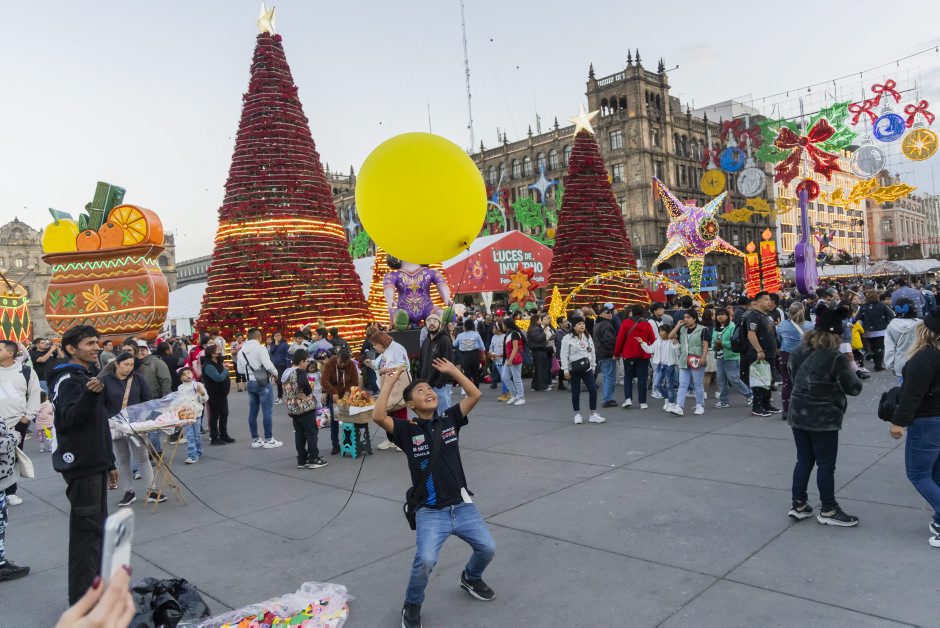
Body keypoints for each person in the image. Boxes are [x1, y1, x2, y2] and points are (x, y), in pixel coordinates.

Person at [371, 358, 496, 628]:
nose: (428, 392)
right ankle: (412, 604)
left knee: (487, 548)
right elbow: (378, 416)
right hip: (430, 511)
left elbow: (475, 394)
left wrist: (453, 372)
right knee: (425, 560)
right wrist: (389, 383)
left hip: (462, 505)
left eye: (429, 389)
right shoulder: (406, 430)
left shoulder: (450, 419)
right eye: (420, 391)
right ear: (410, 404)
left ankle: (471, 577)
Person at [48, 325, 118, 604]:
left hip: (95, 462)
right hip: (81, 464)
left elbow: (98, 425)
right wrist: (90, 395)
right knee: (87, 537)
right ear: (70, 349)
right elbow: (69, 421)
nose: (96, 347)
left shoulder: (85, 376)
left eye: (97, 342)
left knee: (96, 532)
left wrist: (109, 461)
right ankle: (83, 603)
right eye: (89, 343)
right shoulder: (67, 379)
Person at [786, 305, 862, 527]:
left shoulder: (799, 350)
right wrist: (851, 366)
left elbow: (791, 375)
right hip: (823, 417)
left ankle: (799, 504)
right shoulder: (835, 358)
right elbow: (854, 388)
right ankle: (828, 509)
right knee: (826, 464)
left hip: (798, 413)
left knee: (804, 460)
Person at [889, 310, 940, 547]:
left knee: (918, 474)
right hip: (934, 420)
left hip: (927, 421)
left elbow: (912, 395)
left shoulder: (925, 357)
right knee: (935, 474)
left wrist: (898, 422)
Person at [100, 351, 162, 507]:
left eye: (131, 365)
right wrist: (110, 418)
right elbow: (100, 404)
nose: (129, 368)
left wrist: (144, 418)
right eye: (126, 364)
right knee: (122, 459)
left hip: (136, 424)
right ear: (116, 364)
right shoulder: (105, 380)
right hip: (116, 425)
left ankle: (152, 490)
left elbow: (147, 400)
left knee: (142, 457)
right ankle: (128, 491)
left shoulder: (138, 378)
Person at [236, 328, 282, 449]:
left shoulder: (241, 351)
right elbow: (268, 365)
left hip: (250, 383)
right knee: (267, 411)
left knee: (253, 412)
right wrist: (276, 373)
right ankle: (269, 440)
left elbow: (240, 370)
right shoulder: (260, 348)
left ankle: (255, 439)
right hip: (263, 383)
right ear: (259, 336)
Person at [283, 349, 328, 470]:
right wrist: (308, 392)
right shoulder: (299, 372)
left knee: (299, 434)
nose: (307, 364)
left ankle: (302, 459)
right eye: (306, 361)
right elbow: (304, 383)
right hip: (305, 407)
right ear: (301, 362)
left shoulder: (286, 372)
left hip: (293, 408)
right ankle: (313, 458)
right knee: (311, 433)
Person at [367, 331, 410, 453]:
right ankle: (392, 439)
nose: (374, 347)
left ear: (381, 342)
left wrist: (387, 369)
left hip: (397, 387)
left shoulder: (397, 348)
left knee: (400, 413)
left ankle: (403, 440)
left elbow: (404, 365)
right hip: (387, 386)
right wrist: (371, 363)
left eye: (375, 344)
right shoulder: (385, 351)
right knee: (389, 414)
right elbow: (379, 364)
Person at [742, 291, 781, 417]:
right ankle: (757, 407)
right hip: (758, 354)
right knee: (759, 381)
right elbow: (751, 334)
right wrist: (759, 350)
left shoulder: (767, 316)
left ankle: (766, 404)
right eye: (766, 299)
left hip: (770, 354)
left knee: (767, 380)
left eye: (770, 300)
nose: (769, 302)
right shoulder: (754, 315)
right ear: (758, 302)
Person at [560, 317, 605, 424]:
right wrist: (565, 370)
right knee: (575, 391)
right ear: (574, 326)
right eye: (579, 324)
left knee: (593, 390)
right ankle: (577, 414)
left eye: (583, 324)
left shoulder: (587, 337)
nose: (582, 326)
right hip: (574, 368)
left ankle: (593, 414)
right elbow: (563, 355)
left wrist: (593, 366)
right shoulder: (567, 338)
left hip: (587, 368)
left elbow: (592, 352)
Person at [668, 311, 710, 416]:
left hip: (697, 359)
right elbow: (671, 336)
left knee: (697, 384)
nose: (685, 319)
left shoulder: (703, 329)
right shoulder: (682, 329)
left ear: (694, 319)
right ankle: (679, 406)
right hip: (684, 359)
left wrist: (704, 357)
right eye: (685, 317)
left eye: (688, 317)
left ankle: (700, 405)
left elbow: (705, 345)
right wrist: (678, 326)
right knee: (682, 384)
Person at [321, 347, 364, 452]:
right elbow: (324, 381)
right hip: (333, 395)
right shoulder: (330, 363)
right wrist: (333, 392)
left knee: (349, 419)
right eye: (340, 362)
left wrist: (348, 392)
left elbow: (354, 382)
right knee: (334, 419)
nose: (342, 365)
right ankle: (335, 444)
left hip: (347, 395)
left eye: (345, 363)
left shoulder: (351, 364)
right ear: (337, 358)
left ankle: (350, 442)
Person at [614, 304, 655, 410]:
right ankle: (643, 402)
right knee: (642, 378)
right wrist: (653, 351)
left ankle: (628, 399)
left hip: (629, 354)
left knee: (628, 377)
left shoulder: (626, 323)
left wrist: (616, 354)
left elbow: (620, 340)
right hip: (643, 354)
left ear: (631, 312)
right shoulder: (647, 324)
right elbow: (652, 339)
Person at [776, 302, 814, 415]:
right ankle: (803, 409)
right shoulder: (810, 326)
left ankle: (786, 410)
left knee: (787, 383)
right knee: (804, 382)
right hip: (804, 356)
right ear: (804, 311)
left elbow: (780, 339)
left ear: (789, 312)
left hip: (786, 355)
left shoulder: (782, 325)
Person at [712, 309, 753, 409]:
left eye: (722, 314)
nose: (720, 317)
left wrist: (722, 344)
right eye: (718, 315)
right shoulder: (715, 329)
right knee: (722, 381)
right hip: (720, 357)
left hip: (731, 357)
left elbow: (736, 343)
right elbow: (713, 343)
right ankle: (724, 401)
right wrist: (715, 346)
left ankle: (750, 395)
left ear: (727, 316)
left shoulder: (732, 327)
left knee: (734, 379)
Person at [419, 312, 456, 414]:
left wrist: (440, 383)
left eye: (435, 321)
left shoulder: (444, 340)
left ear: (440, 325)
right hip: (427, 385)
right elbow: (422, 362)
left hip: (441, 386)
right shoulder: (426, 342)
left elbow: (448, 362)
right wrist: (421, 380)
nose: (432, 323)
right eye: (429, 321)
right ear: (426, 325)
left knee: (445, 414)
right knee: (432, 414)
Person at [200, 346, 234, 446]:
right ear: (212, 353)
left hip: (221, 393)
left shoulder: (216, 362)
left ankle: (224, 434)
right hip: (214, 394)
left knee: (224, 413)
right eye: (217, 350)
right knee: (215, 415)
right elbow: (218, 378)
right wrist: (226, 371)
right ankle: (214, 437)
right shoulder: (208, 366)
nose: (220, 351)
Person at [641, 324, 677, 412]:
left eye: (662, 331)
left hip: (669, 366)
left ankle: (671, 403)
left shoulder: (672, 340)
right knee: (656, 385)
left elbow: (678, 352)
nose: (660, 333)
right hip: (660, 366)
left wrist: (676, 345)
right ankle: (667, 398)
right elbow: (650, 349)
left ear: (668, 332)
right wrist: (642, 343)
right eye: (659, 331)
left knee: (669, 385)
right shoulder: (658, 341)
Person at [856, 289, 894, 372]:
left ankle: (875, 362)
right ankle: (878, 365)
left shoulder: (864, 306)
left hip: (868, 331)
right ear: (877, 296)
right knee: (880, 348)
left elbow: (858, 318)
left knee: (872, 348)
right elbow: (891, 315)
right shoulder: (882, 305)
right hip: (881, 330)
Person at [885, 297, 920, 384]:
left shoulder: (891, 326)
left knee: (905, 390)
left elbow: (889, 349)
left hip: (901, 364)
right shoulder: (921, 324)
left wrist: (891, 365)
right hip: (920, 363)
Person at [593, 306, 619, 408]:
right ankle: (608, 399)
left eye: (611, 312)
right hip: (607, 354)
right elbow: (610, 341)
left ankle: (607, 398)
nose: (610, 314)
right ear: (601, 314)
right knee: (609, 377)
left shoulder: (598, 324)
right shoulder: (606, 324)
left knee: (606, 377)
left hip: (600, 354)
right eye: (607, 312)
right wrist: (615, 353)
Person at [453, 319, 485, 390]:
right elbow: (482, 347)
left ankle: (469, 391)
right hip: (475, 355)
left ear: (464, 327)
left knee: (467, 375)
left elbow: (454, 344)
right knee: (475, 374)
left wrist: (453, 339)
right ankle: (476, 390)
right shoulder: (476, 334)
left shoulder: (460, 335)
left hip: (464, 356)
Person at [501, 317, 525, 406]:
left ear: (507, 325)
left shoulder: (514, 334)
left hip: (514, 359)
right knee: (504, 377)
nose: (502, 326)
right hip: (509, 359)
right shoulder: (509, 333)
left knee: (517, 379)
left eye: (503, 324)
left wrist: (510, 359)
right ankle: (514, 395)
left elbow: (515, 348)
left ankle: (521, 398)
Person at [268, 332, 291, 405]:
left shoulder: (284, 344)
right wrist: (276, 345)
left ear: (281, 337)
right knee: (278, 382)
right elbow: (271, 352)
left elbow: (288, 354)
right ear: (273, 337)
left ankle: (283, 397)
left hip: (283, 365)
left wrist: (288, 366)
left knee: (283, 381)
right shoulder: (272, 344)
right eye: (275, 336)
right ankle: (280, 397)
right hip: (275, 365)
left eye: (279, 335)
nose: (277, 337)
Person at [488, 321, 507, 399]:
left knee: (504, 377)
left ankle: (505, 393)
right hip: (496, 361)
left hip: (505, 360)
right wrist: (491, 353)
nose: (493, 329)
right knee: (504, 377)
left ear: (498, 329)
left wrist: (504, 354)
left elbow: (507, 348)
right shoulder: (493, 337)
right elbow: (491, 347)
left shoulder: (505, 336)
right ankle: (507, 393)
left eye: (494, 328)